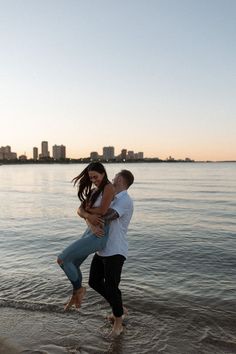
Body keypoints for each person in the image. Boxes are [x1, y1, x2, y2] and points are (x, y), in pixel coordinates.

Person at [77, 169, 134, 336]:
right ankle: (120, 308)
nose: (111, 182)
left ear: (122, 182)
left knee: (112, 286)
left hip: (116, 250)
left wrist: (87, 212)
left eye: (115, 179)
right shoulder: (111, 197)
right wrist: (87, 213)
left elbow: (106, 216)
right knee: (94, 281)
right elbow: (86, 212)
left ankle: (118, 322)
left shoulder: (124, 200)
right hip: (102, 248)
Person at [57, 162, 115, 310]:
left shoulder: (109, 187)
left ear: (103, 173)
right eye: (91, 178)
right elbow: (79, 210)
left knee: (62, 259)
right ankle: (76, 294)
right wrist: (87, 215)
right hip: (90, 231)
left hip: (99, 235)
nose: (94, 180)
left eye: (95, 177)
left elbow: (102, 211)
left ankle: (79, 290)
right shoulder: (94, 191)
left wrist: (87, 211)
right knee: (73, 265)